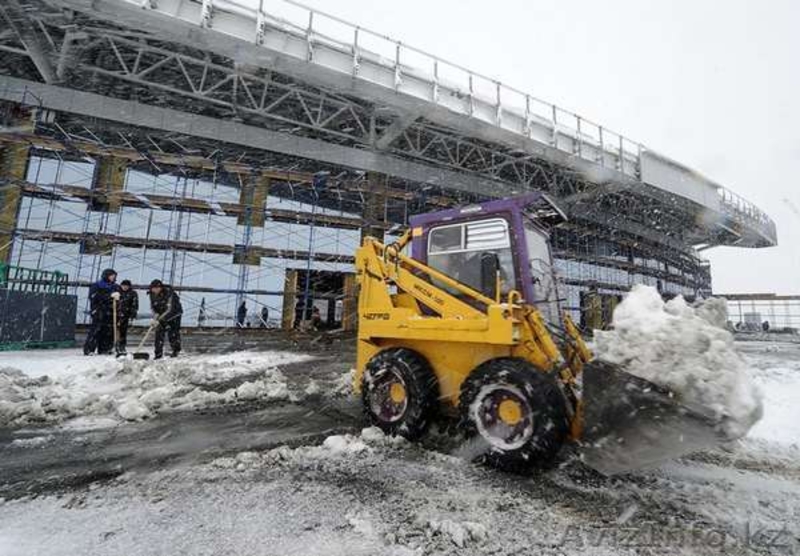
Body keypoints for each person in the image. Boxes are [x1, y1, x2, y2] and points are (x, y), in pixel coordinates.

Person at [84, 268, 120, 355]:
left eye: (114, 276)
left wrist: (118, 298)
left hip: (110, 312)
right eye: (111, 276)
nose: (113, 278)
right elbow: (94, 297)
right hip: (99, 311)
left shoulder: (115, 286)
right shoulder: (97, 285)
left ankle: (105, 348)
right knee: (96, 330)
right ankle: (89, 349)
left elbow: (119, 298)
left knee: (108, 331)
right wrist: (109, 296)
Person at [148, 279, 183, 359]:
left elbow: (170, 309)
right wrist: (155, 316)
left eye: (156, 288)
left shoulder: (170, 294)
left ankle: (176, 350)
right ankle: (158, 354)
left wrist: (161, 319)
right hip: (162, 315)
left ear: (160, 288)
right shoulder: (152, 294)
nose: (155, 290)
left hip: (174, 315)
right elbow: (153, 307)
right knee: (159, 333)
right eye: (153, 288)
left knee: (173, 333)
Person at [116, 279, 139, 355]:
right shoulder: (117, 292)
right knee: (113, 331)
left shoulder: (132, 294)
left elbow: (134, 305)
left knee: (123, 331)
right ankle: (113, 345)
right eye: (123, 286)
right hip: (116, 314)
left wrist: (132, 314)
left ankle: (122, 346)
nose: (125, 287)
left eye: (126, 286)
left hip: (125, 315)